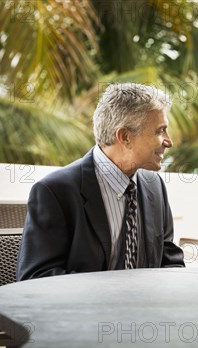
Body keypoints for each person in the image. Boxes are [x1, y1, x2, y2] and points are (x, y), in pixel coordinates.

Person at [17, 83, 185, 280]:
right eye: (160, 131)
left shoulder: (154, 185)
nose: (169, 141)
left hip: (145, 308)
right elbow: (35, 277)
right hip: (86, 310)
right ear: (125, 137)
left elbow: (170, 261)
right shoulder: (55, 192)